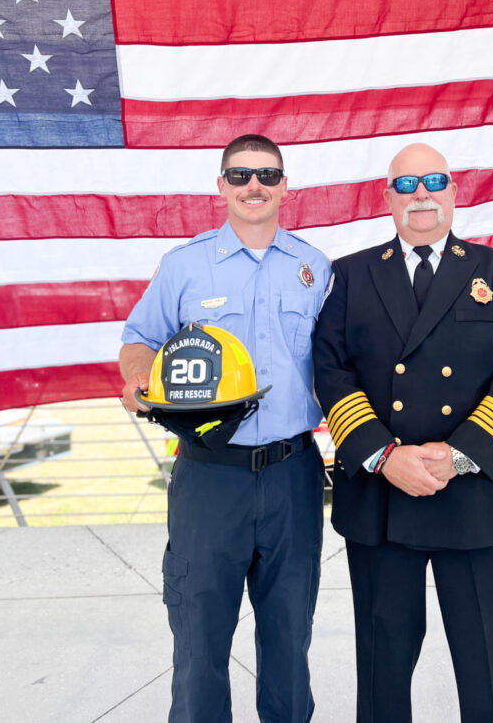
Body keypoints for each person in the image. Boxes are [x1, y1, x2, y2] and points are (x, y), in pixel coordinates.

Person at [313, 142, 493, 723]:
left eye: (434, 181)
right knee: (381, 667)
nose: (422, 194)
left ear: (454, 191)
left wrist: (460, 453)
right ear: (387, 197)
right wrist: (383, 455)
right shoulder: (349, 276)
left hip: (475, 495)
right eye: (407, 184)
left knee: (488, 663)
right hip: (382, 495)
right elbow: (330, 372)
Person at [120, 134, 330, 723]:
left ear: (285, 185)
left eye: (266, 174)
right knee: (200, 639)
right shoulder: (184, 266)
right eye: (239, 176)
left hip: (293, 474)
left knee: (289, 639)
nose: (253, 186)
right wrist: (138, 377)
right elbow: (139, 338)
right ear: (221, 187)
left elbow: (339, 361)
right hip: (209, 477)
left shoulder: (316, 269)